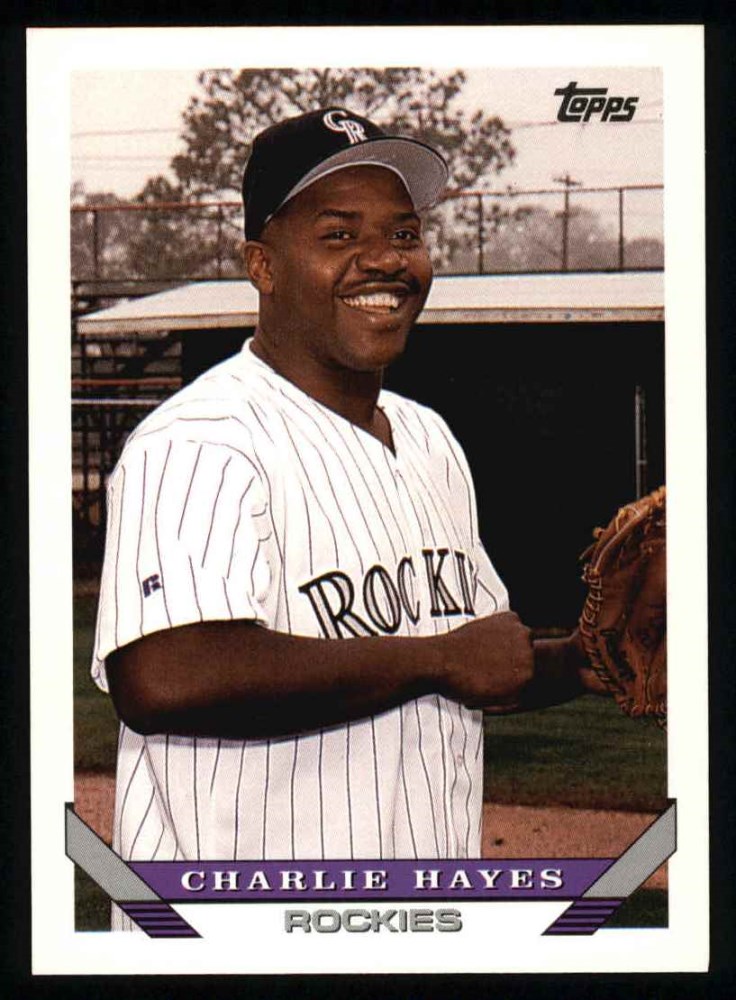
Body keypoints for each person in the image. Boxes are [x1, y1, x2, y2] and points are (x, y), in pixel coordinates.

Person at [91, 108, 601, 913]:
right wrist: (435, 660)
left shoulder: (429, 438)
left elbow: (476, 661)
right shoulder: (199, 441)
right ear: (262, 265)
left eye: (403, 234)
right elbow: (163, 675)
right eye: (339, 235)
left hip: (417, 915)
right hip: (241, 934)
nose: (384, 259)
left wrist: (586, 660)